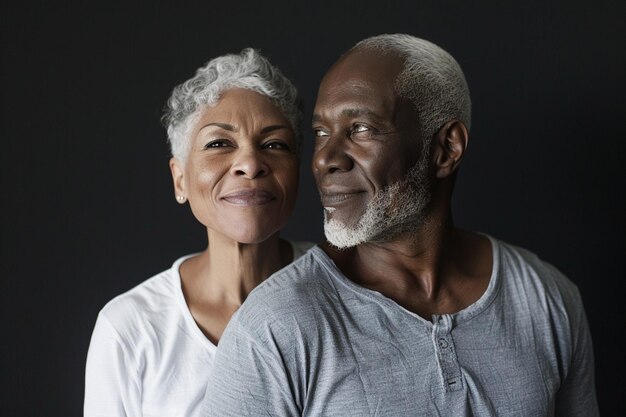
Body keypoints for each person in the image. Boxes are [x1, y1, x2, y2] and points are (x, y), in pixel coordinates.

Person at [201, 34, 599, 416]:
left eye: (360, 129)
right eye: (322, 133)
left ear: (446, 150)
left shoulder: (549, 300)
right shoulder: (273, 328)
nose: (325, 159)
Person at [83, 48, 314, 417]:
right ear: (180, 179)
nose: (251, 164)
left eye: (275, 145)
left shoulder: (347, 293)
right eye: (219, 143)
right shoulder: (130, 330)